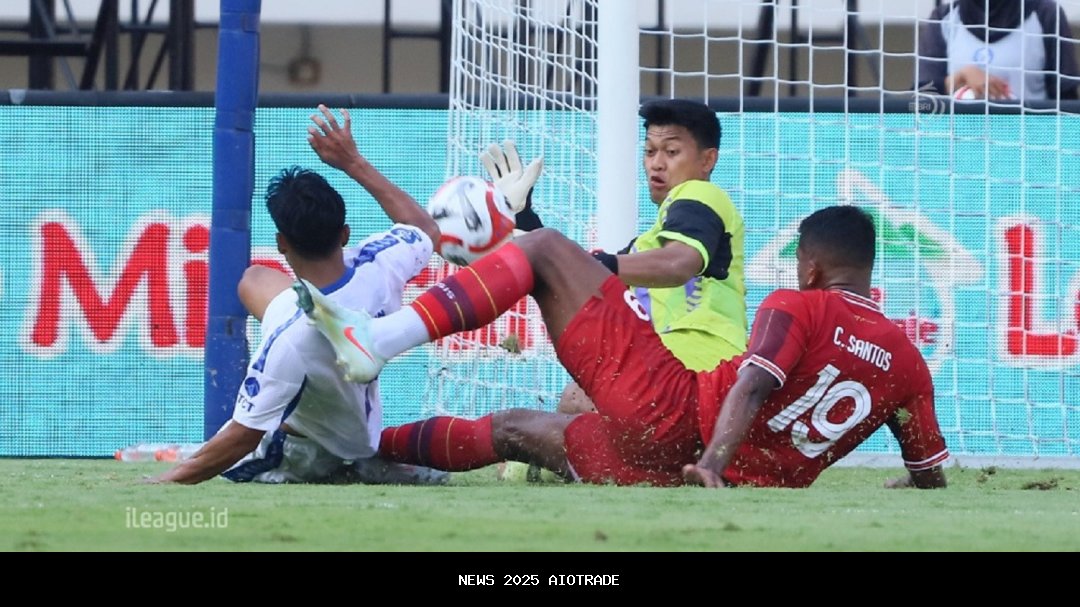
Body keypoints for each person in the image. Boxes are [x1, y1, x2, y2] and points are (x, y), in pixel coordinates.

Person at [297, 205, 949, 489]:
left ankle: (378, 339)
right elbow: (927, 465)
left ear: (810, 267)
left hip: (673, 420)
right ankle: (354, 452)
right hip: (680, 473)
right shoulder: (909, 363)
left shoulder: (801, 303)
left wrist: (712, 461)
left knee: (543, 248)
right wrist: (914, 482)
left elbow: (754, 381)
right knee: (514, 429)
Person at [151, 166, 447, 485]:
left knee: (233, 457)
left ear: (282, 244)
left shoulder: (290, 337)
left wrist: (164, 481)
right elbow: (425, 229)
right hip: (359, 425)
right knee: (254, 278)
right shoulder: (381, 263)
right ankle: (366, 461)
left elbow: (244, 436)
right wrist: (351, 160)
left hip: (300, 449)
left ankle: (349, 468)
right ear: (344, 234)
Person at [554, 98, 747, 415]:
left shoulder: (701, 193)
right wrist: (525, 222)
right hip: (674, 367)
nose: (656, 164)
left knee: (573, 405)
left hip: (703, 360)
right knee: (574, 402)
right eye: (649, 151)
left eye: (671, 152)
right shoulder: (642, 249)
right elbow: (582, 278)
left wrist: (606, 264)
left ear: (707, 160)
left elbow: (678, 263)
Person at [916, 0, 1079, 101]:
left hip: (1029, 143)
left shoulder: (1046, 14)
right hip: (960, 144)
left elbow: (1067, 100)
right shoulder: (943, 18)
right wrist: (961, 77)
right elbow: (920, 102)